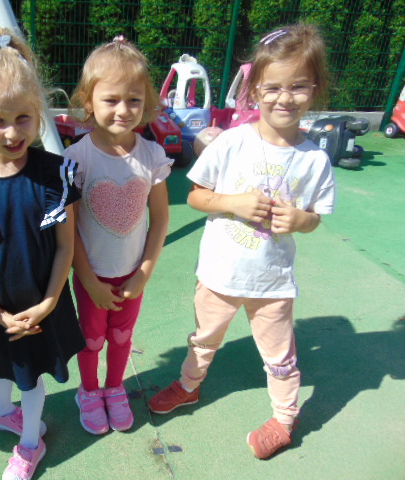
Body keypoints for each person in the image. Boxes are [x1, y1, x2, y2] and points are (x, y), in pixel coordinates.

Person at [148, 23, 336, 460]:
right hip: (220, 274)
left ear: (316, 88)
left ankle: (284, 419)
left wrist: (300, 220)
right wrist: (233, 203)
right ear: (254, 90)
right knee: (203, 338)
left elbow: (315, 219)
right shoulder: (232, 143)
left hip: (272, 283)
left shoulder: (315, 160)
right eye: (273, 87)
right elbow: (195, 196)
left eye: (298, 86)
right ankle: (189, 386)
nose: (284, 98)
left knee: (281, 357)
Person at [0, 25, 85, 480]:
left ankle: (29, 444)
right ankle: (3, 413)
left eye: (24, 117)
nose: (12, 132)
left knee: (32, 375)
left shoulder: (55, 174)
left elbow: (65, 244)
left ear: (38, 110)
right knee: (2, 368)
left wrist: (48, 303)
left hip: (42, 301)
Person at [66, 36, 171, 435]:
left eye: (134, 99)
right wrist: (89, 280)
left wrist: (144, 272)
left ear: (147, 102)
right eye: (111, 99)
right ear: (88, 101)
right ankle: (89, 390)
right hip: (90, 276)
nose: (123, 110)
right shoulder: (76, 159)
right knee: (91, 338)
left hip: (132, 276)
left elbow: (160, 219)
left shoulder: (152, 156)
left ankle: (114, 388)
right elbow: (69, 229)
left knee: (122, 337)